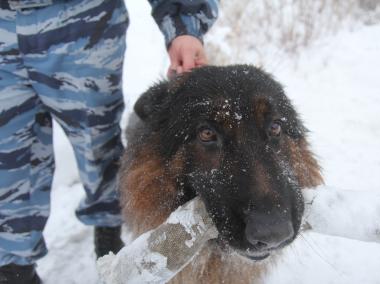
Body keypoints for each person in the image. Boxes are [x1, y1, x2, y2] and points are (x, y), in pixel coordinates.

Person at [0, 0, 218, 282]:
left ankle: (108, 233)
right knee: (8, 159)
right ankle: (13, 268)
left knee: (98, 147)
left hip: (79, 22)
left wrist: (183, 26)